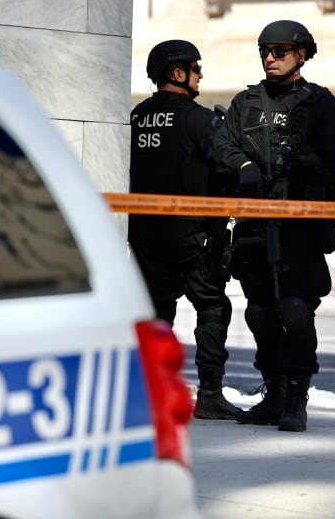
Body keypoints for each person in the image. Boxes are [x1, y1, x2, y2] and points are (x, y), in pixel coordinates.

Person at [214, 20, 335, 432]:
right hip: (256, 224)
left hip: (298, 228)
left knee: (294, 311)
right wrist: (241, 166)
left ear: (302, 54)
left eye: (279, 51)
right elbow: (221, 144)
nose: (270, 58)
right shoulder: (246, 103)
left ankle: (297, 397)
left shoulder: (321, 105)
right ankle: (274, 393)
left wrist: (321, 208)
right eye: (265, 52)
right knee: (259, 313)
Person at [128, 40, 239, 420]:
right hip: (192, 235)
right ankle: (209, 394)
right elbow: (228, 168)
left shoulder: (136, 117)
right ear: (178, 74)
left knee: (157, 311)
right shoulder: (200, 119)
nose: (200, 75)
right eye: (195, 68)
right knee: (212, 307)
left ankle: (152, 392)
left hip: (144, 234)